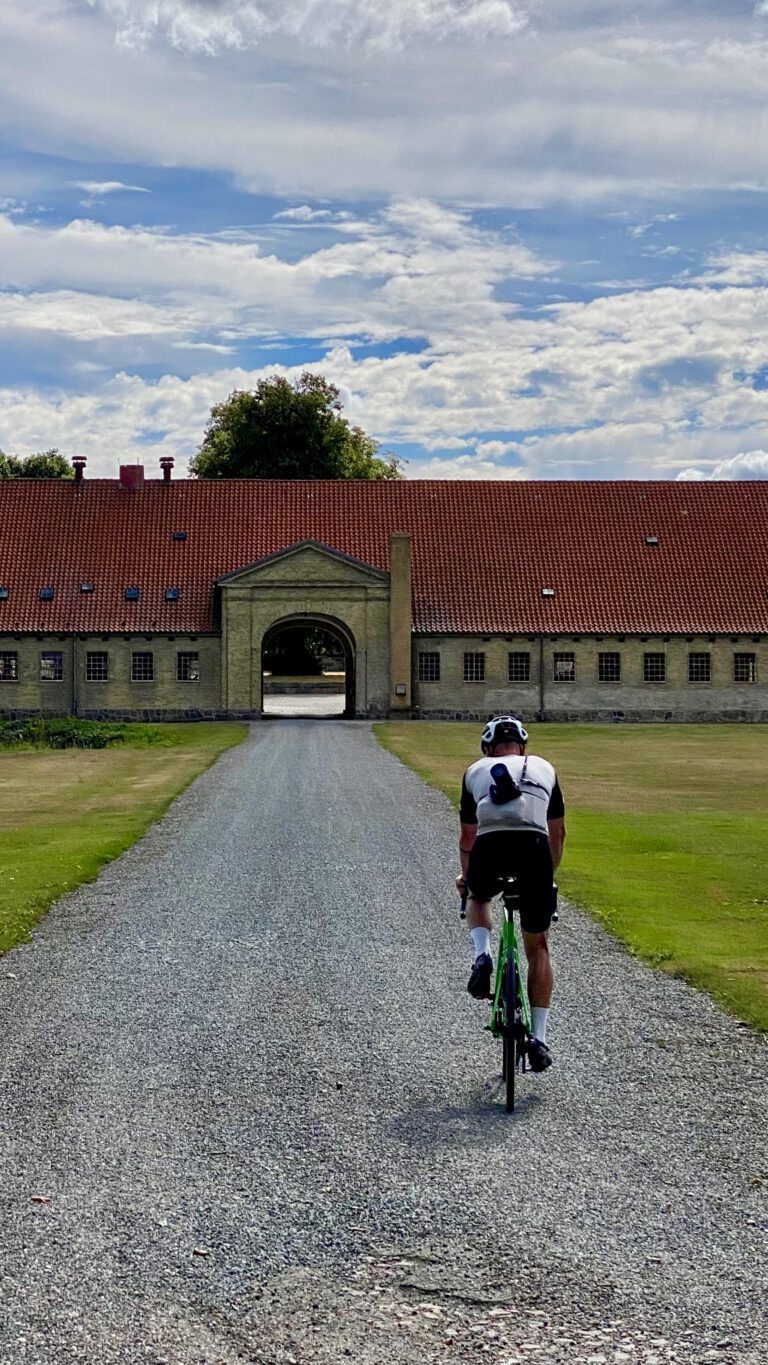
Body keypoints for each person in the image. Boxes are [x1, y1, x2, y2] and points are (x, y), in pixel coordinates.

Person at [457, 715, 565, 1073]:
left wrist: (467, 877)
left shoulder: (475, 770)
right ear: (523, 747)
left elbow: (468, 839)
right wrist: (548, 875)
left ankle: (482, 955)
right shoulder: (543, 767)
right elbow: (558, 834)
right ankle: (539, 1038)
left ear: (488, 749)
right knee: (538, 946)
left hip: (490, 847)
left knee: (478, 896)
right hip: (534, 849)